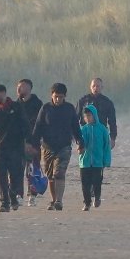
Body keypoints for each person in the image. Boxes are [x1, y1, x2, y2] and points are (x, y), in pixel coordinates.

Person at [31, 83, 83, 211]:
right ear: (51, 95)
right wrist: (33, 144)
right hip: (47, 147)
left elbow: (76, 128)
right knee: (50, 176)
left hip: (64, 146)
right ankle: (54, 200)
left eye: (60, 97)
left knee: (59, 173)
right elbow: (38, 127)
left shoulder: (70, 109)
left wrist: (80, 142)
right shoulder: (45, 108)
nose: (58, 99)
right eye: (56, 96)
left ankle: (59, 201)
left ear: (65, 96)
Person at [0, 84, 28, 213]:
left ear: (4, 93)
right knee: (1, 177)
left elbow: (25, 125)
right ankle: (4, 202)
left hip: (16, 147)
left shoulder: (16, 107)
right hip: (0, 148)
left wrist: (28, 143)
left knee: (16, 175)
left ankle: (13, 195)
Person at [78, 104, 112, 211]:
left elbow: (106, 146)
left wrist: (106, 161)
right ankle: (87, 203)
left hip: (98, 162)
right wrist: (80, 147)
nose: (87, 118)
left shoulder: (102, 129)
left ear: (94, 115)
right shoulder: (83, 129)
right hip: (85, 161)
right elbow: (79, 142)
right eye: (86, 116)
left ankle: (97, 198)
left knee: (97, 182)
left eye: (89, 115)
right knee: (85, 184)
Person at [16, 78, 44, 206]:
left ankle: (32, 196)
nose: (19, 89)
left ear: (29, 88)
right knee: (17, 169)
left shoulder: (37, 104)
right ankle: (18, 195)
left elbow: (41, 123)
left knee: (32, 168)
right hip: (18, 141)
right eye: (18, 87)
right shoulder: (16, 104)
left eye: (21, 87)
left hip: (34, 141)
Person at [77, 78, 118, 148]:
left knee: (100, 157)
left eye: (98, 86)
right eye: (93, 86)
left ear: (102, 87)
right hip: (86, 134)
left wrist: (113, 138)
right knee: (86, 157)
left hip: (101, 134)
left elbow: (112, 122)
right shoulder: (83, 101)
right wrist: (75, 137)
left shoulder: (107, 102)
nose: (95, 88)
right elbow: (75, 119)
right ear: (90, 87)